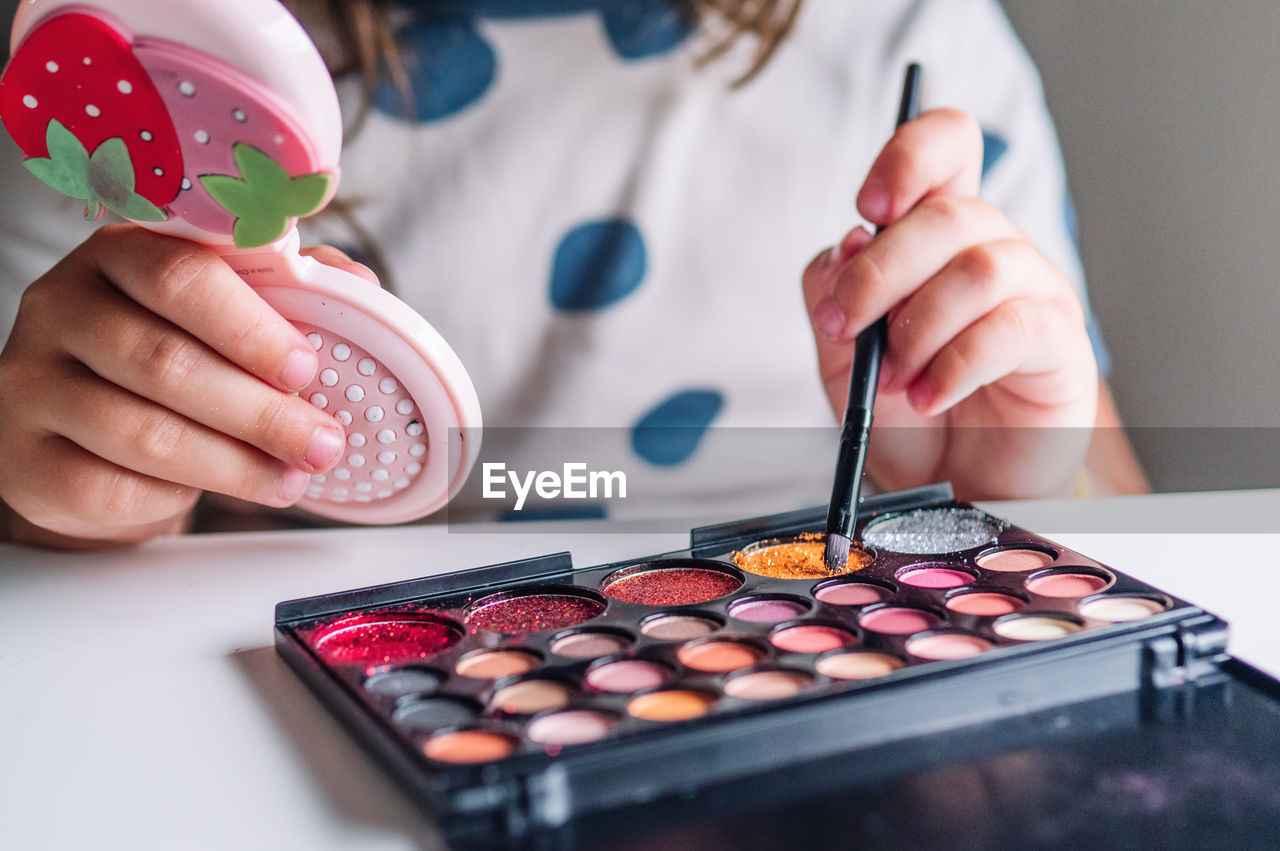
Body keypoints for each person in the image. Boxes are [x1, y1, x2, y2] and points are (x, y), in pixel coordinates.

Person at [0, 0, 1148, 549]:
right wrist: (74, 505)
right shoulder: (142, 88)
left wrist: (1023, 496)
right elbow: (61, 571)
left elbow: (1122, 532)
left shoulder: (917, 39)